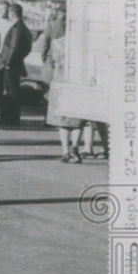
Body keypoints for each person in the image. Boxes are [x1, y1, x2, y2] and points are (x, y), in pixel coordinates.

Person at [44, 12, 87, 162]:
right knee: (77, 119)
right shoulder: (84, 46)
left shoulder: (57, 43)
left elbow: (51, 62)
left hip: (60, 83)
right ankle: (75, 146)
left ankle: (65, 150)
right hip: (78, 83)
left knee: (62, 120)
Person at [0, 3, 32, 126]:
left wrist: (8, 62)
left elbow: (13, 46)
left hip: (10, 65)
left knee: (10, 91)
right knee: (11, 91)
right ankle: (9, 117)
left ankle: (10, 118)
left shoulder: (17, 28)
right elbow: (27, 47)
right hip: (15, 63)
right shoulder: (23, 27)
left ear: (12, 13)